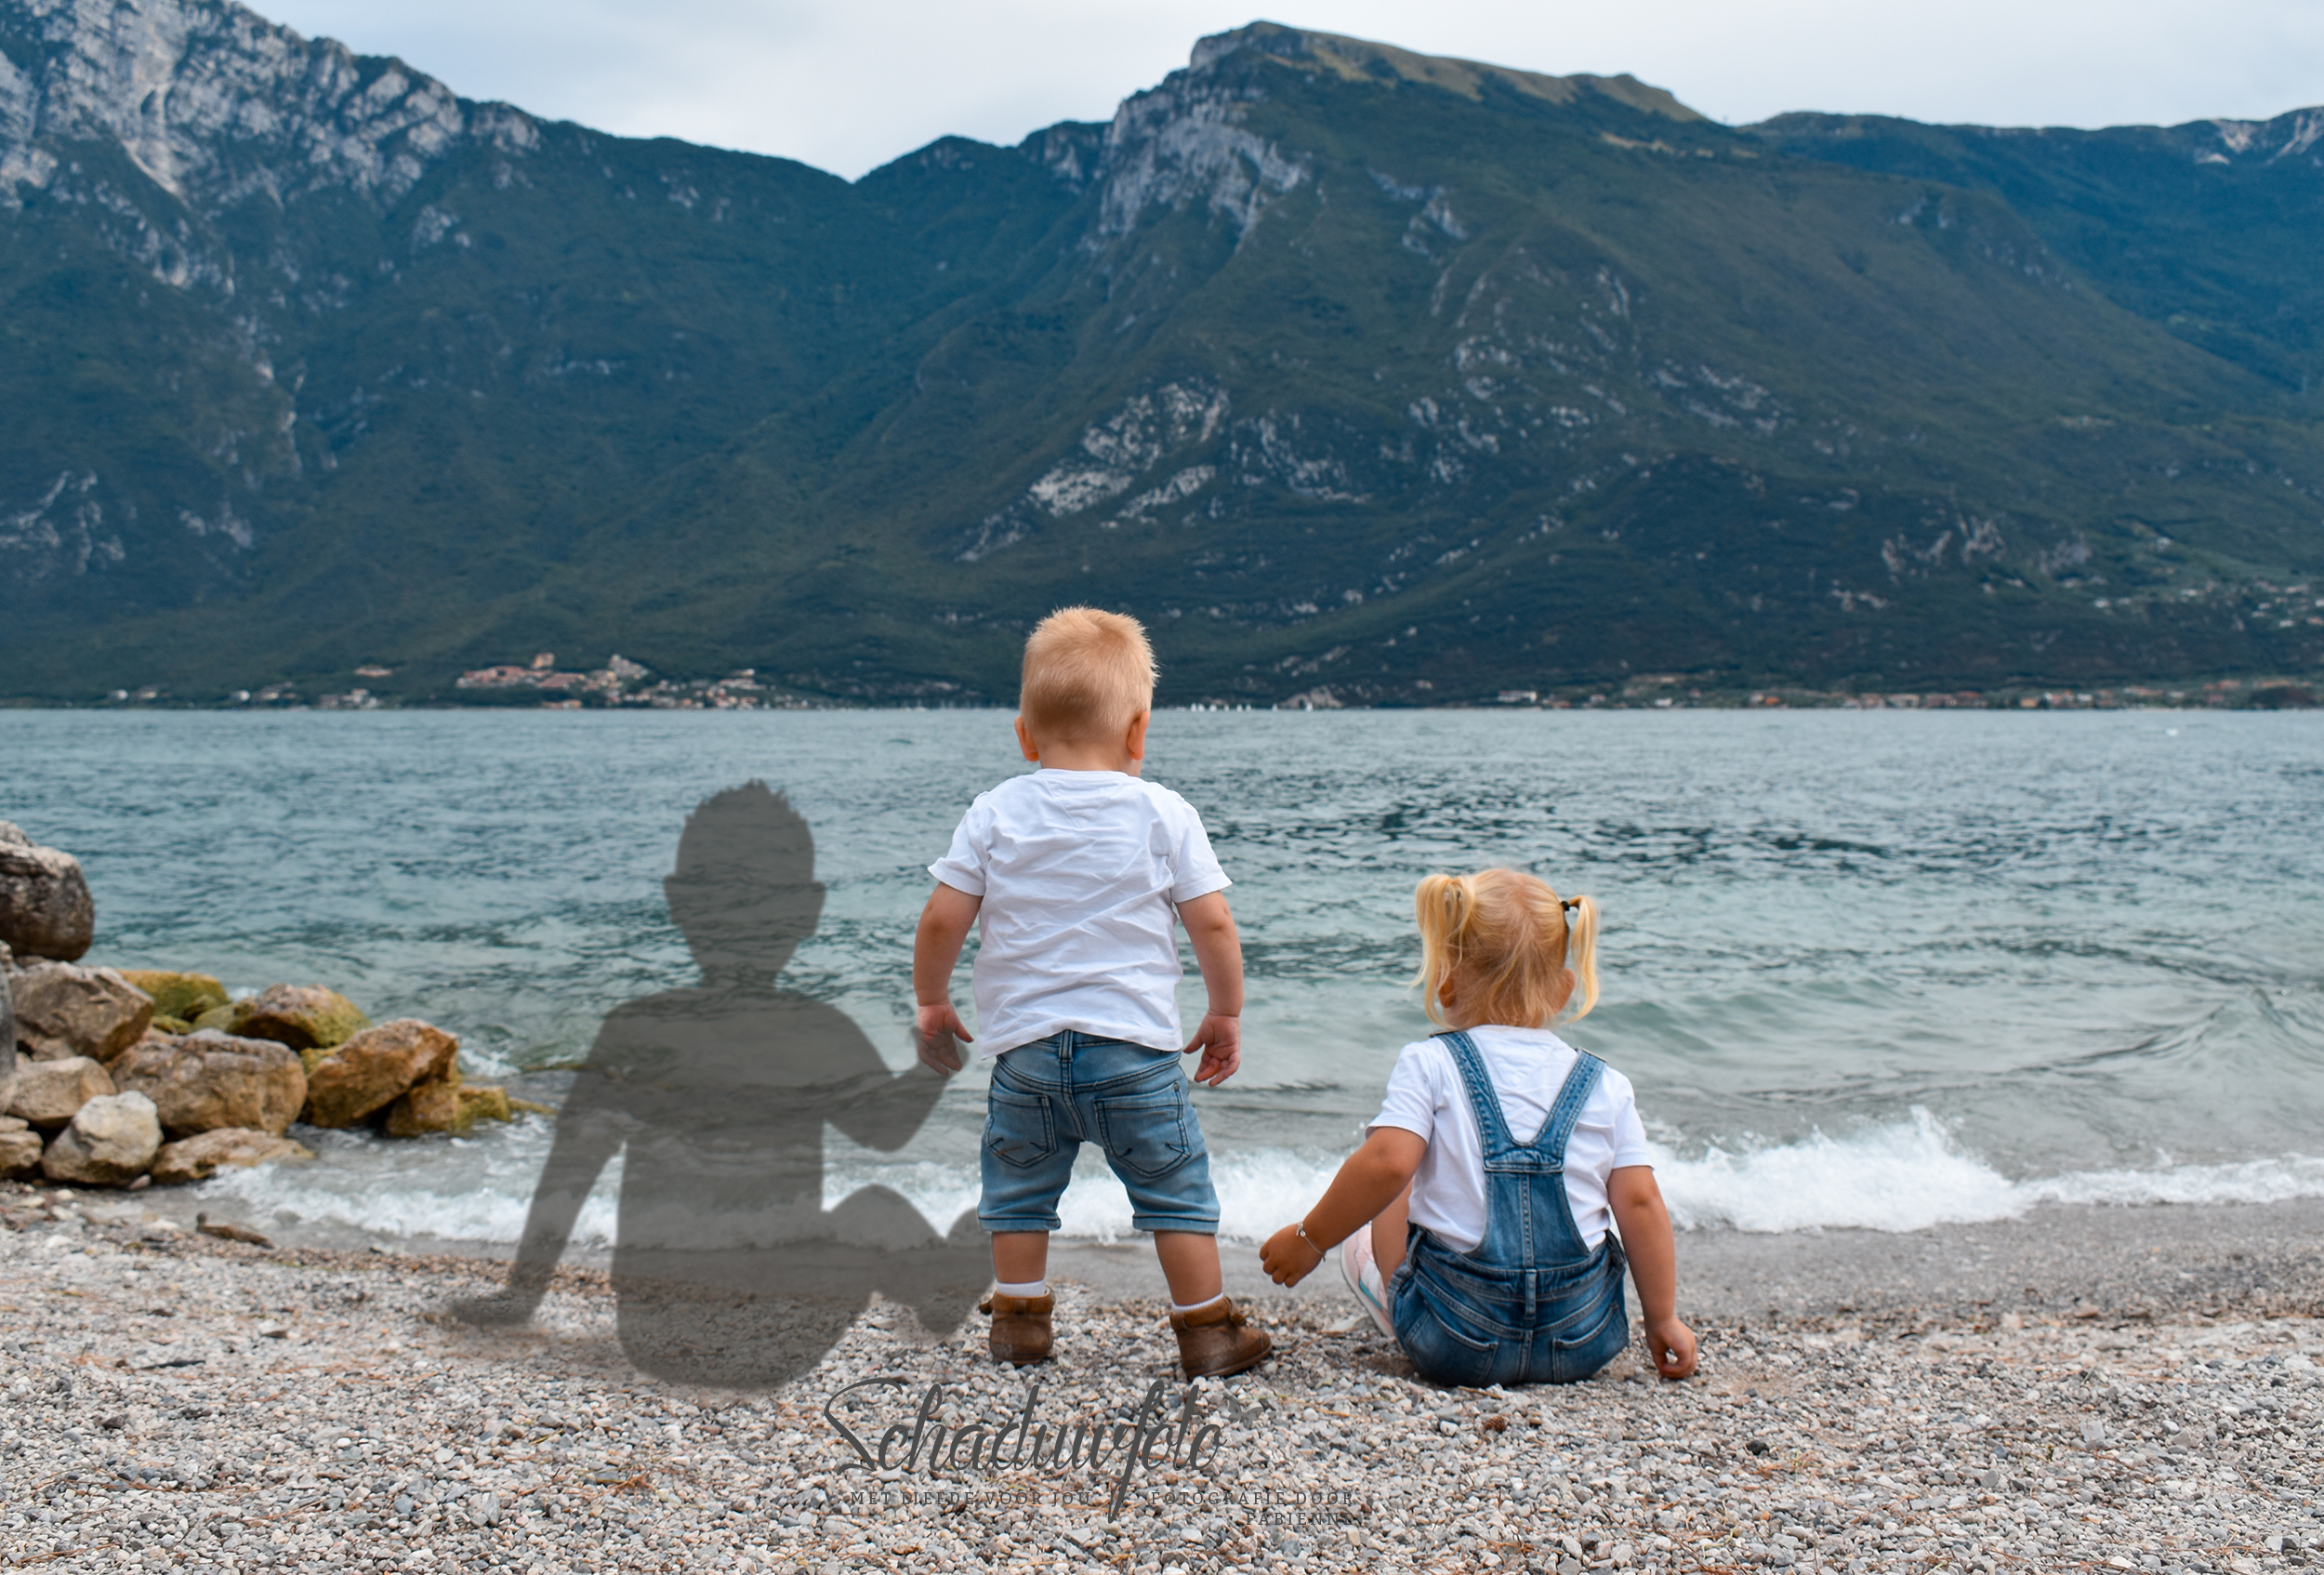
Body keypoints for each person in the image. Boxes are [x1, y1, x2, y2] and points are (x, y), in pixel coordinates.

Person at [454, 782, 986, 1387]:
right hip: (783, 1341)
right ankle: (940, 1291)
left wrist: (520, 1297)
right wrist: (929, 1071)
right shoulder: (818, 1027)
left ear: (679, 901)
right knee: (874, 1209)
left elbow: (569, 1172)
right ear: (808, 909)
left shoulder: (634, 1027)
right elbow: (886, 1133)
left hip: (653, 1338)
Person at [913, 606, 1273, 1381]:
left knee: (1017, 1192)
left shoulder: (995, 810)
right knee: (1175, 1194)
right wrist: (1224, 1013)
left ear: (1025, 736)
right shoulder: (1163, 812)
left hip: (1027, 1058)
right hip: (1135, 1056)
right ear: (1139, 732)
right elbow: (1212, 924)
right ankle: (1206, 1332)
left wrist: (933, 1003)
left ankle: (1019, 1325)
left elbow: (944, 917)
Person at [1259, 868, 1697, 1387]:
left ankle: (1399, 1312)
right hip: (1580, 1341)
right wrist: (1663, 1318)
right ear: (1564, 990)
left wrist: (1310, 1239)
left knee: (1390, 1164)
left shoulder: (1430, 1062)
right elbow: (1640, 1202)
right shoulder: (1606, 1084)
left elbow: (1387, 1166)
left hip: (1454, 1342)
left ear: (1445, 981)